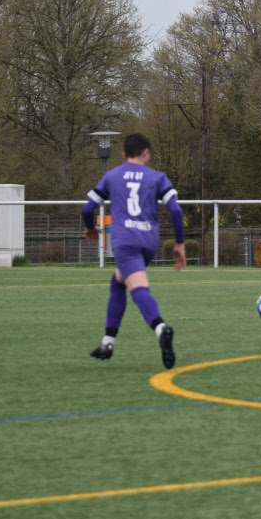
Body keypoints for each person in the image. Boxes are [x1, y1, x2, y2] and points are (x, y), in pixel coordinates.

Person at [82, 133, 185, 369]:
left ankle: (161, 328)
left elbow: (87, 209)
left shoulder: (112, 175)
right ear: (146, 152)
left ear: (123, 154)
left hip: (125, 242)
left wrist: (90, 227)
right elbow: (176, 211)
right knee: (118, 281)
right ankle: (107, 342)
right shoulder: (158, 177)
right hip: (148, 241)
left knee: (137, 287)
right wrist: (180, 244)